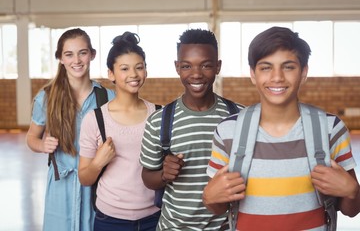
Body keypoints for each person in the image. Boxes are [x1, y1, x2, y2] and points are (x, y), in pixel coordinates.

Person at [203, 26, 360, 230]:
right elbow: (218, 205)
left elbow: (352, 210)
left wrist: (353, 191)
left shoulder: (330, 128)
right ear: (253, 74)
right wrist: (208, 198)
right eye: (266, 67)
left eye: (288, 67)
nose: (277, 77)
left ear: (303, 72)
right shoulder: (228, 131)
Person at [140, 28, 244, 230]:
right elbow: (147, 177)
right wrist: (163, 174)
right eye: (187, 66)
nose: (196, 74)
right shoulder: (159, 121)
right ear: (177, 67)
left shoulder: (240, 117)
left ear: (218, 67)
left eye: (205, 65)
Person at [26, 28, 115, 231]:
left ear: (92, 55)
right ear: (60, 58)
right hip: (60, 186)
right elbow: (31, 137)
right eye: (69, 54)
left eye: (82, 52)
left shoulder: (106, 98)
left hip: (96, 185)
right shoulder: (47, 97)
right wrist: (41, 144)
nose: (77, 60)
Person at [78, 31, 161, 231]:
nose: (133, 74)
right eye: (124, 68)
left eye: (139, 67)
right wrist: (98, 162)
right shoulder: (95, 119)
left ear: (146, 71)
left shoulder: (159, 114)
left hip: (155, 216)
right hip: (110, 220)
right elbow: (85, 178)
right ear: (111, 74)